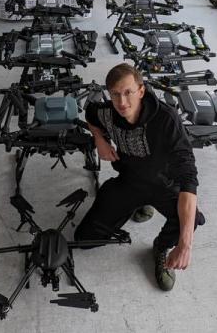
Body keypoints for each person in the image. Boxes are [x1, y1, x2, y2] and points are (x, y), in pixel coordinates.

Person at [74, 63, 204, 291]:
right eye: (115, 94)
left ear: (141, 91)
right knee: (85, 239)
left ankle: (160, 247)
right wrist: (99, 140)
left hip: (164, 184)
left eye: (128, 92)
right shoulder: (108, 111)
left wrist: (185, 246)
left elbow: (189, 179)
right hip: (129, 181)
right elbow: (90, 113)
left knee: (190, 221)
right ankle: (136, 205)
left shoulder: (166, 119)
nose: (122, 102)